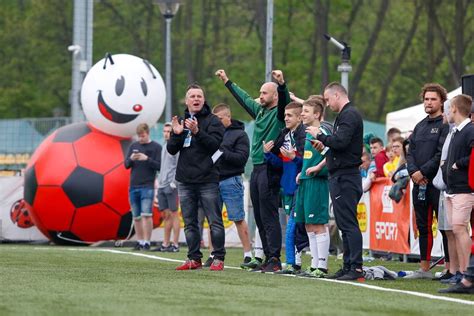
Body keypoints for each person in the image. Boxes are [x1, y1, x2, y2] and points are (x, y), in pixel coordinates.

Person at [215, 69, 285, 272]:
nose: (260, 96)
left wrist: (281, 84)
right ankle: (265, 256)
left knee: (270, 215)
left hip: (269, 168)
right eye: (261, 92)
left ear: (275, 96)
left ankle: (274, 258)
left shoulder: (279, 114)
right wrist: (228, 81)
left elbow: (286, 99)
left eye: (264, 93)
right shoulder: (261, 111)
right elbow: (244, 98)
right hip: (257, 168)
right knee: (260, 216)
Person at [308, 82, 364, 280]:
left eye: (328, 99)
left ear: (337, 95)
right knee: (343, 224)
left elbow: (341, 142)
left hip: (346, 176)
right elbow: (339, 147)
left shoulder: (350, 115)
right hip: (341, 175)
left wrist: (321, 136)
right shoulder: (344, 115)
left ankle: (356, 267)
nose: (327, 103)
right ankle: (348, 265)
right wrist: (323, 148)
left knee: (348, 224)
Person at [167, 84, 226, 271]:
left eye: (199, 96)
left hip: (207, 179)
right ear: (186, 101)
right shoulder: (182, 121)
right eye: (192, 96)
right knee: (190, 223)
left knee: (214, 221)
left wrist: (197, 132)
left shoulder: (213, 121)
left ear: (204, 99)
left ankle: (218, 258)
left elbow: (215, 145)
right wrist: (176, 135)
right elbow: (171, 150)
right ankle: (194, 258)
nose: (196, 99)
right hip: (185, 180)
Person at [405, 83, 449, 279]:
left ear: (441, 102)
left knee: (445, 227)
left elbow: (441, 154)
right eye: (426, 99)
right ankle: (424, 268)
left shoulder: (445, 125)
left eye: (433, 99)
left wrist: (423, 172)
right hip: (418, 184)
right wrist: (414, 172)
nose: (429, 102)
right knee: (423, 227)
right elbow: (410, 152)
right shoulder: (420, 126)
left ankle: (450, 268)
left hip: (437, 184)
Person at [263, 101, 305, 274]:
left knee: (298, 226)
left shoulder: (304, 136)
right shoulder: (284, 135)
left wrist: (294, 157)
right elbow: (281, 164)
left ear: (299, 117)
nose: (285, 118)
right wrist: (267, 154)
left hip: (301, 185)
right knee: (291, 225)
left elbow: (306, 162)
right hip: (286, 186)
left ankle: (293, 262)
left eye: (289, 115)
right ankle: (295, 262)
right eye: (285, 115)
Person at [210, 103, 252, 268]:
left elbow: (241, 159)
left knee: (238, 218)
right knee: (213, 220)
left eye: (220, 118)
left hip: (231, 180)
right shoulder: (212, 134)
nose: (218, 122)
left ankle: (248, 254)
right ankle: (214, 254)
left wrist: (221, 152)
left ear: (228, 116)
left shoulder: (240, 135)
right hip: (213, 181)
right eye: (215, 119)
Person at [295, 96, 331, 278]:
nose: (302, 114)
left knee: (317, 223)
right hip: (306, 182)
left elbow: (331, 152)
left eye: (306, 111)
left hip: (317, 183)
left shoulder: (323, 131)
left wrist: (318, 167)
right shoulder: (308, 132)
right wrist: (301, 172)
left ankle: (322, 266)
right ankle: (314, 264)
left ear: (317, 114)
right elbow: (309, 156)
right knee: (308, 224)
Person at [443, 94, 474, 282]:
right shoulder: (457, 131)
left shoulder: (470, 130)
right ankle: (462, 273)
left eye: (450, 108)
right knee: (456, 230)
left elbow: (472, 155)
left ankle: (465, 274)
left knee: (459, 229)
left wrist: (458, 164)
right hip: (452, 188)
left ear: (454, 108)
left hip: (464, 188)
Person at [124, 123, 162, 251]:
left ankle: (147, 242)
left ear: (148, 133)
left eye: (143, 136)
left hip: (148, 186)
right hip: (133, 185)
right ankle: (140, 241)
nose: (141, 138)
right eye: (139, 136)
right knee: (136, 216)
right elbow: (126, 165)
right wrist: (131, 158)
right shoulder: (134, 146)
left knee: (146, 214)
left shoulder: (156, 147)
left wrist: (146, 158)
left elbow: (159, 166)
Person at [153, 123, 180, 252]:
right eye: (164, 131)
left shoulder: (176, 147)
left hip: (171, 185)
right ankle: (165, 244)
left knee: (174, 214)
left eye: (169, 131)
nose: (166, 133)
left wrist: (174, 183)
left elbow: (179, 166)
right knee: (166, 215)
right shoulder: (164, 146)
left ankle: (175, 244)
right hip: (162, 185)